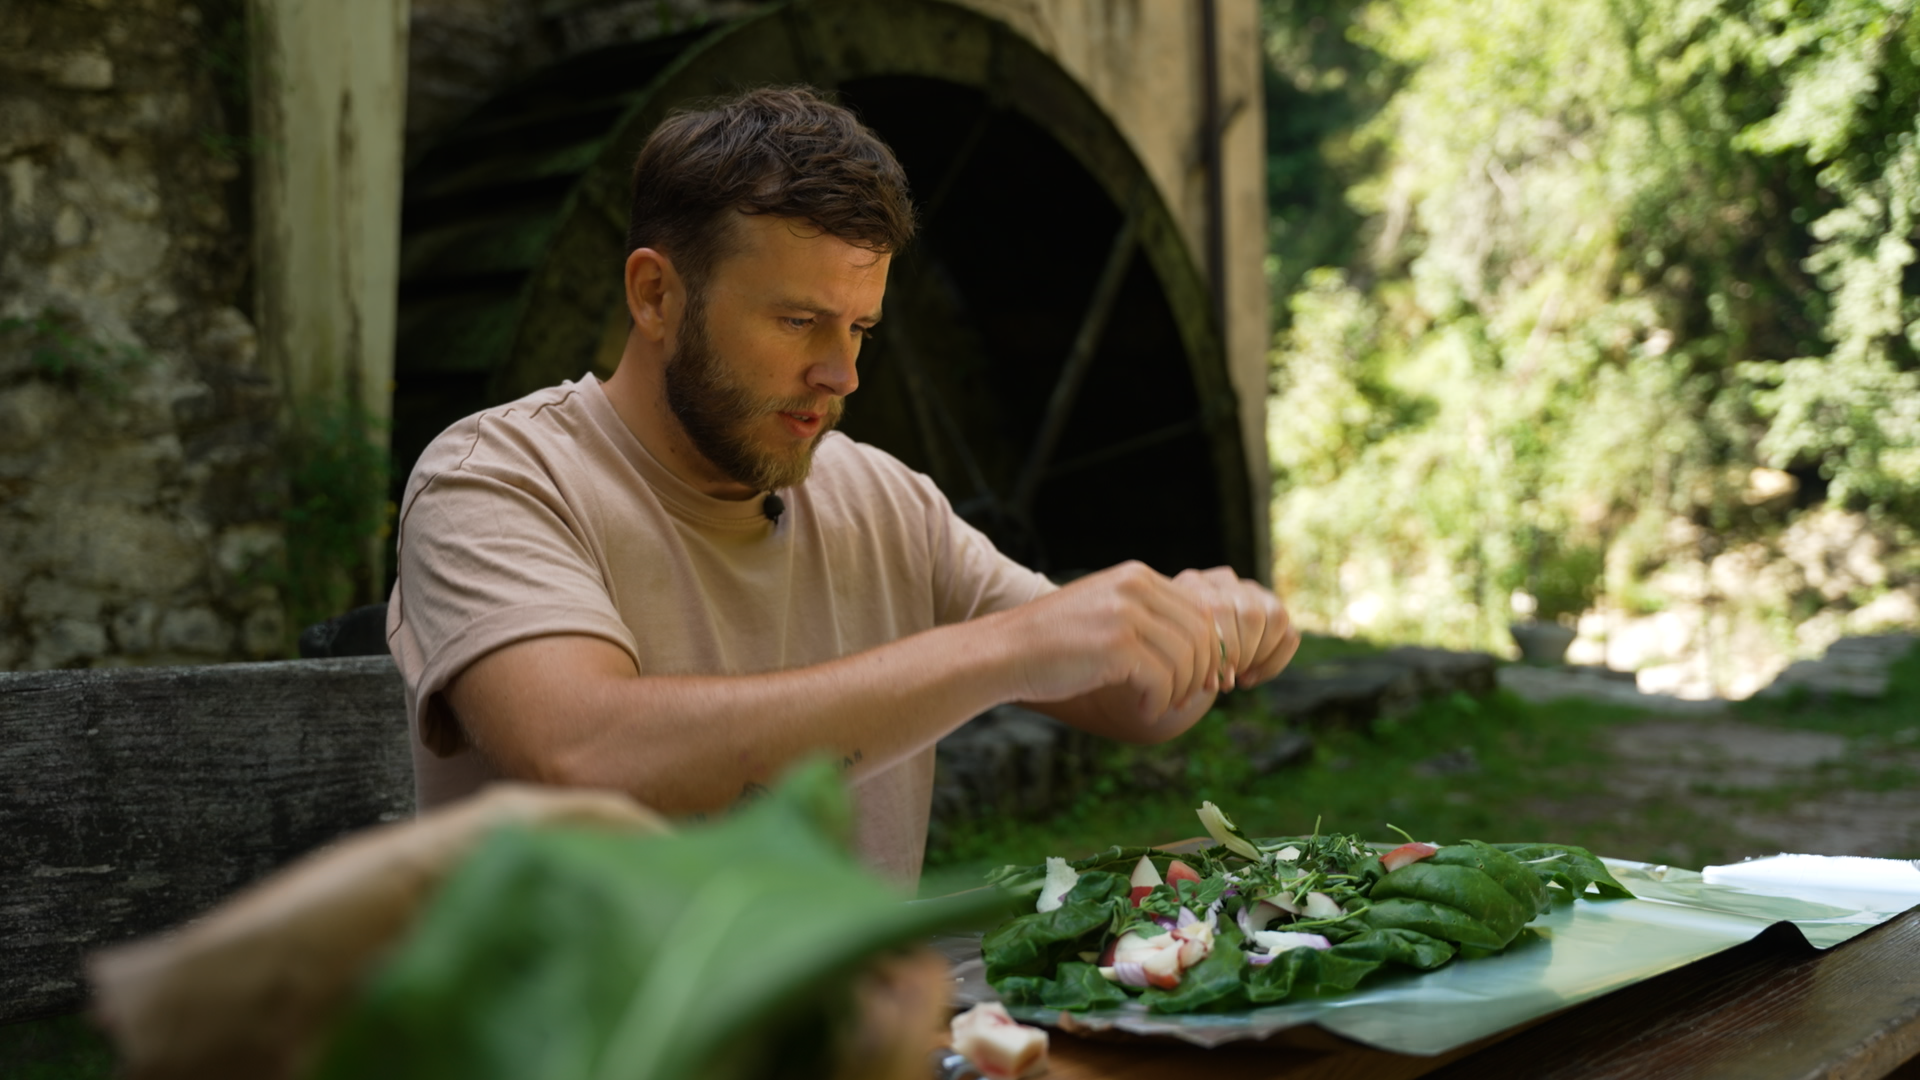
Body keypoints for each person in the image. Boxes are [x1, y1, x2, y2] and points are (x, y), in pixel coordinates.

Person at [387, 86, 1300, 883]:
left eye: (860, 328)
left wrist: (1190, 635)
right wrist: (1005, 649)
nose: (842, 374)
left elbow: (1121, 697)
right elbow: (585, 751)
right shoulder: (495, 480)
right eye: (799, 321)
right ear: (656, 295)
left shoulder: (883, 500)